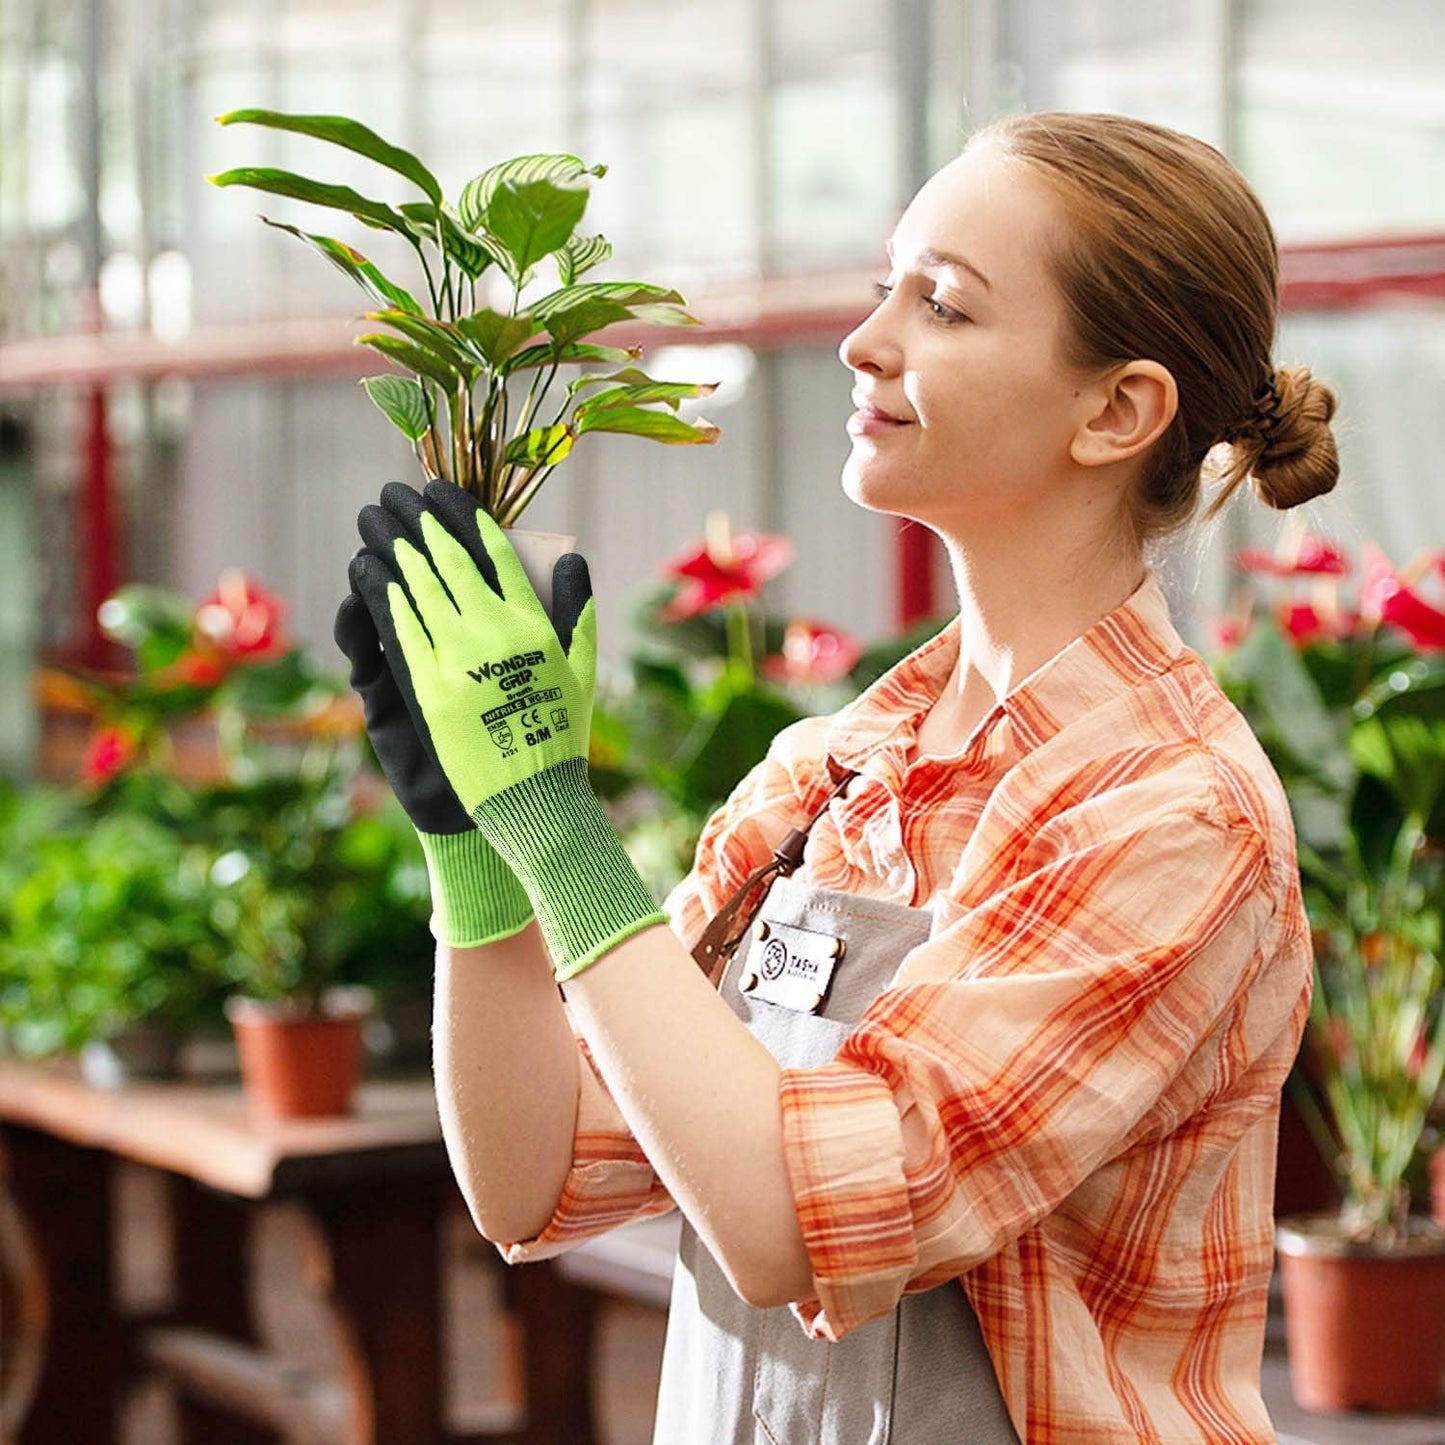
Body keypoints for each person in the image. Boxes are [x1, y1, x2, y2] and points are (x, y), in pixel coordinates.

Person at [337, 111, 1339, 1443]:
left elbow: (791, 1223)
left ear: (1117, 409)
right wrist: (476, 846)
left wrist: (559, 824)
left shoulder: (1167, 810)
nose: (867, 343)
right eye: (886, 285)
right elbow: (535, 1174)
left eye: (943, 306)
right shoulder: (835, 775)